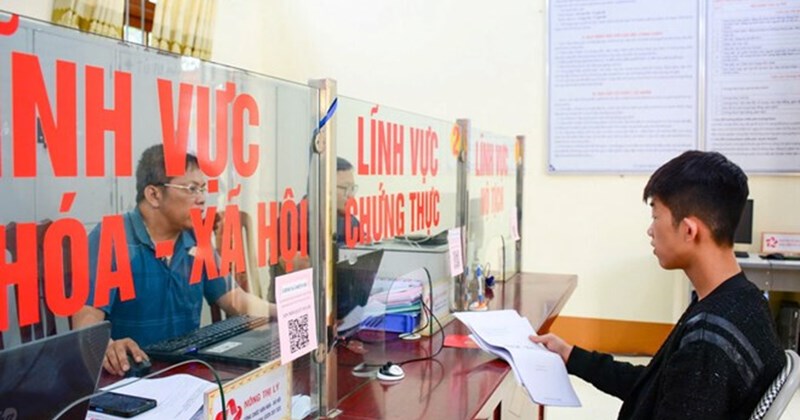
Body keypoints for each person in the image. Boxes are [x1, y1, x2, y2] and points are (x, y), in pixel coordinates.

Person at [531, 151, 784, 419]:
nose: (650, 230)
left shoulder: (707, 341)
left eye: (655, 217)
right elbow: (658, 387)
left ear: (689, 230)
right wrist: (571, 356)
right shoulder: (746, 300)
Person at [73, 145, 275, 376]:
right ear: (154, 195)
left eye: (203, 189)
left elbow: (235, 300)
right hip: (131, 376)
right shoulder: (112, 237)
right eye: (191, 189)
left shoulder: (196, 238)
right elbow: (85, 322)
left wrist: (286, 311)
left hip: (187, 372)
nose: (202, 199)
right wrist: (109, 346)